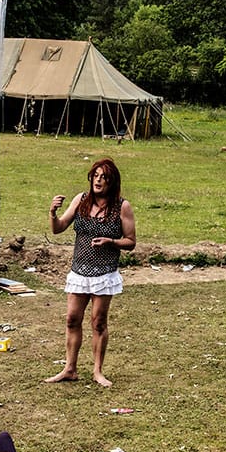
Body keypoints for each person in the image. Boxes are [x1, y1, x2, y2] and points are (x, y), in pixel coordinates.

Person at [45, 156, 136, 387]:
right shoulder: (82, 200)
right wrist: (53, 213)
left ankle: (97, 371)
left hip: (104, 274)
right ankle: (70, 368)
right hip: (79, 272)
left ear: (111, 182)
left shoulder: (121, 207)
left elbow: (131, 241)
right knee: (72, 319)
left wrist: (111, 241)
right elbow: (58, 229)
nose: (98, 181)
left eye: (104, 177)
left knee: (98, 322)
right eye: (95, 176)